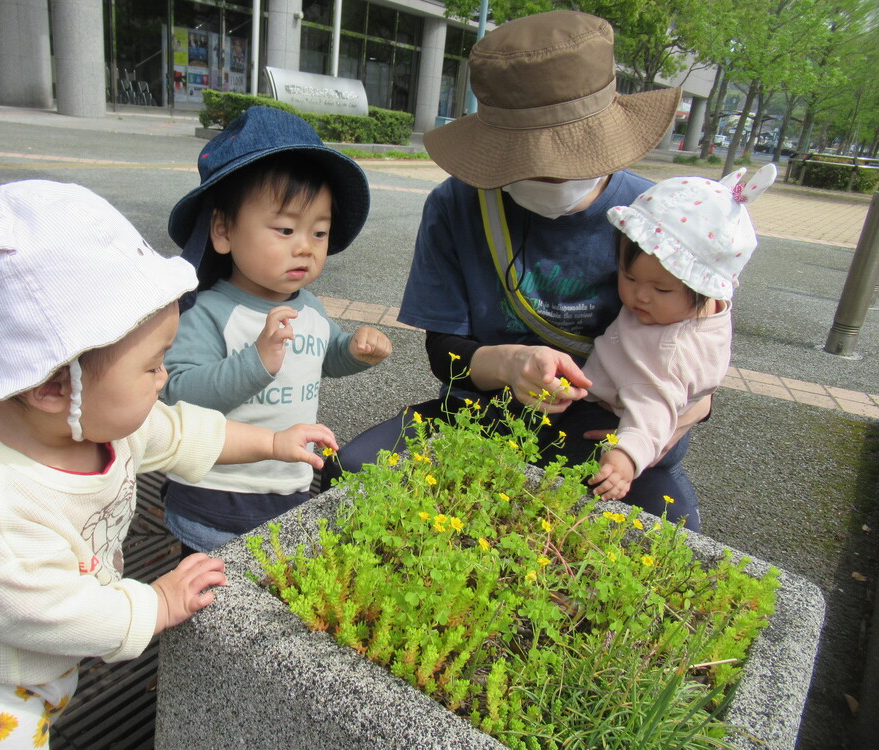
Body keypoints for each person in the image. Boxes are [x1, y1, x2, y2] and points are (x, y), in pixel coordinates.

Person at [0, 180, 337, 747]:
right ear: (54, 387)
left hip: (38, 663)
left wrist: (271, 443)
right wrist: (158, 602)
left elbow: (178, 432)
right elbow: (57, 612)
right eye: (152, 367)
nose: (165, 379)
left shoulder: (93, 419)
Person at [326, 10, 710, 530]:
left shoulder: (663, 219)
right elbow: (445, 354)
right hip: (484, 414)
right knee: (352, 474)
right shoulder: (456, 205)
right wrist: (510, 364)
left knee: (667, 534)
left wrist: (679, 418)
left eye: (564, 156)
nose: (545, 175)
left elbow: (701, 354)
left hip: (609, 435)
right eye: (522, 160)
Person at [161, 106, 392, 555]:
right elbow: (176, 395)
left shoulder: (310, 308)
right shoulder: (210, 312)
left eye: (319, 233)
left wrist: (355, 350)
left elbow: (322, 357)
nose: (305, 246)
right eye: (286, 229)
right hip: (215, 494)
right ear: (224, 231)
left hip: (288, 487)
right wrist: (255, 363)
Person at [539, 164, 777, 503]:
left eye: (661, 289)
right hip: (642, 408)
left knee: (550, 460)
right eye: (630, 278)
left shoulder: (669, 351)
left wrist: (625, 457)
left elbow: (654, 409)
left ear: (703, 287)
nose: (641, 296)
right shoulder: (698, 310)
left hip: (627, 423)